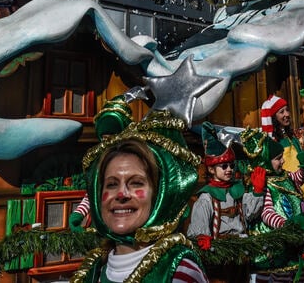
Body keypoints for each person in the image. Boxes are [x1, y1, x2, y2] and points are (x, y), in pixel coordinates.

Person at [73, 95, 208, 283]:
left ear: (157, 195)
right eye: (111, 184)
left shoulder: (178, 271)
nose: (121, 195)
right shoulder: (93, 270)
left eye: (136, 183)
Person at [241, 129, 304, 282]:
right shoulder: (266, 184)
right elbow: (266, 212)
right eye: (278, 159)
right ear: (266, 161)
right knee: (284, 274)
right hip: (281, 241)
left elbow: (298, 178)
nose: (283, 161)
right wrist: (284, 223)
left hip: (300, 233)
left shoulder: (285, 175)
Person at [187, 122, 266, 283]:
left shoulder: (237, 191)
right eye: (223, 166)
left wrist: (257, 192)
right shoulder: (206, 198)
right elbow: (198, 229)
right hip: (220, 258)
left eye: (231, 165)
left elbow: (249, 214)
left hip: (241, 253)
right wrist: (202, 239)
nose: (229, 169)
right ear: (211, 169)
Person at [260, 84, 304, 217]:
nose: (286, 114)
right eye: (281, 112)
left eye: (287, 110)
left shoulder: (294, 137)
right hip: (286, 196)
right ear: (273, 118)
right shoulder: (268, 143)